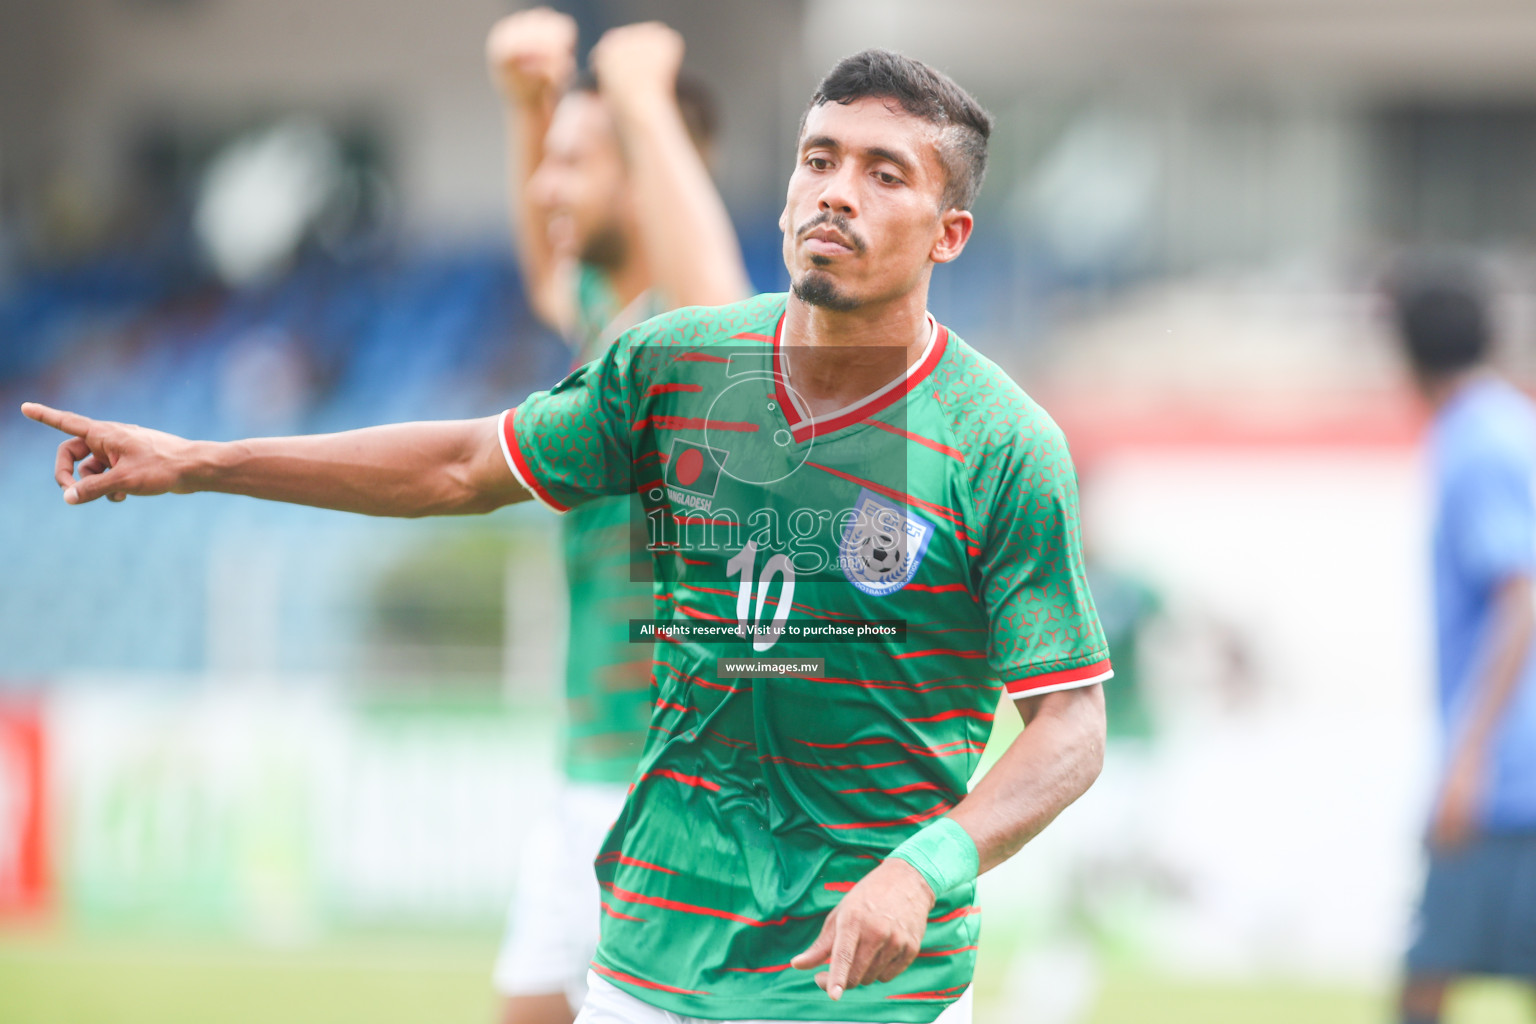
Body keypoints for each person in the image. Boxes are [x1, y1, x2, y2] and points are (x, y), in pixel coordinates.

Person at [23, 49, 1109, 1024]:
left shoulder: (1002, 442)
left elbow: (1070, 724)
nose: (836, 190)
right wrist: (201, 460)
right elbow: (463, 465)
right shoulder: (671, 365)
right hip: (653, 956)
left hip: (874, 992)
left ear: (950, 232)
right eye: (818, 157)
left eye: (884, 172)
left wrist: (929, 864)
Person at [484, 10, 750, 1023]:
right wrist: (529, 110)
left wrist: (639, 94)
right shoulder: (612, 325)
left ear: (645, 170)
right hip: (583, 776)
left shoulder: (703, 346)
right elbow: (550, 269)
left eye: (574, 163)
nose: (549, 187)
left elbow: (718, 304)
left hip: (668, 791)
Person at [1389, 262, 1536, 1024]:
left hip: (1512, 785)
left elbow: (1520, 597)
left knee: (1426, 982)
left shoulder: (1476, 441)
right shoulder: (1511, 422)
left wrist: (1469, 759)